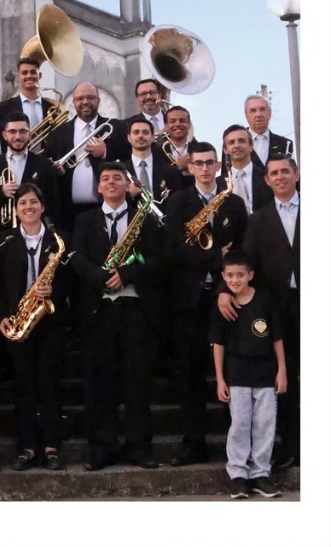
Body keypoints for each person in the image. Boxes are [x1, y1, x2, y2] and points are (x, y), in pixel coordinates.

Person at [71, 162, 163, 471]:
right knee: (100, 382)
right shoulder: (85, 221)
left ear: (127, 185)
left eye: (118, 178)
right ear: (98, 187)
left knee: (137, 380)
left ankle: (139, 446)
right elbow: (76, 258)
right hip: (99, 311)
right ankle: (102, 446)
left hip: (134, 308)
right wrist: (99, 276)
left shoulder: (146, 219)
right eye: (105, 179)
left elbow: (158, 258)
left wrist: (128, 273)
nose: (111, 183)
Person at [163, 141, 248, 466]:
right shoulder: (178, 203)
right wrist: (215, 258)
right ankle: (194, 443)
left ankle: (238, 444)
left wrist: (227, 286)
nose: (204, 168)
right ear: (190, 168)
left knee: (234, 372)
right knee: (190, 374)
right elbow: (173, 251)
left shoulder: (234, 204)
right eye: (198, 163)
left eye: (210, 162)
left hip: (229, 299)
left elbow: (241, 251)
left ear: (218, 165)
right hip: (188, 300)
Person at [218, 154, 300, 470]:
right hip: (280, 307)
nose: (280, 177)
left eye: (285, 171)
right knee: (287, 379)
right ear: (266, 181)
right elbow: (244, 261)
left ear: (297, 174)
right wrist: (225, 290)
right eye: (274, 173)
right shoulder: (258, 220)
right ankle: (293, 446)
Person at [0, 183, 68, 471]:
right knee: (23, 386)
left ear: (42, 206)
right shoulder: (6, 241)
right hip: (18, 321)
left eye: (34, 202)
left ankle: (51, 447)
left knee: (49, 385)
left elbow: (72, 279)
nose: (28, 207)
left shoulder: (59, 239)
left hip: (50, 321)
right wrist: (1, 316)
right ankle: (26, 447)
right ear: (16, 209)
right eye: (23, 203)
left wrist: (54, 292)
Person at [210, 251, 287, 499]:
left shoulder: (264, 299)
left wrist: (282, 370)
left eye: (240, 275)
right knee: (240, 424)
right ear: (223, 276)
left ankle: (260, 474)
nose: (235, 280)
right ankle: (239, 475)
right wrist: (220, 378)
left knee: (265, 424)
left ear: (250, 275)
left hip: (265, 373)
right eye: (230, 276)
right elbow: (218, 344)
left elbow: (276, 337)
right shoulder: (223, 306)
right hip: (237, 375)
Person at [46, 82, 130, 231]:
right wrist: (54, 170)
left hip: (106, 208)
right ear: (74, 102)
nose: (85, 102)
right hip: (69, 211)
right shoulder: (58, 134)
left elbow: (130, 158)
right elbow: (49, 166)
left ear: (98, 100)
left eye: (90, 97)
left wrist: (106, 151)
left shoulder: (117, 127)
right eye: (80, 98)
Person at [0, 112, 60, 230]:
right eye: (12, 132)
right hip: (1, 233)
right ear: (4, 135)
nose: (18, 136)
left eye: (23, 131)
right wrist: (1, 192)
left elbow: (53, 205)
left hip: (36, 233)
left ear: (29, 134)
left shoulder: (44, 165)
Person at [123, 115, 181, 210]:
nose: (140, 136)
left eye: (145, 132)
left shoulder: (170, 170)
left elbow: (178, 203)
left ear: (153, 137)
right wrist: (129, 195)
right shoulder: (121, 171)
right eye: (136, 132)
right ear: (129, 138)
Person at [0, 57, 56, 140]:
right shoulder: (5, 107)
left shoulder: (51, 107)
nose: (29, 76)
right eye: (24, 73)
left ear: (40, 75)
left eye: (33, 72)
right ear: (18, 77)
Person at [222, 125, 273, 214]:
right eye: (231, 142)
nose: (237, 145)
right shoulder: (218, 184)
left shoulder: (268, 178)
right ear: (225, 150)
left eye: (241, 141)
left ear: (251, 146)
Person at [243, 94, 294, 165]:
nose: (258, 114)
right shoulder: (233, 144)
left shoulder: (285, 144)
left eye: (262, 109)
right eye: (253, 110)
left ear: (269, 113)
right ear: (246, 115)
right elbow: (226, 174)